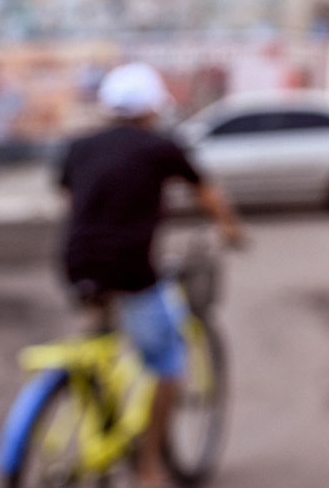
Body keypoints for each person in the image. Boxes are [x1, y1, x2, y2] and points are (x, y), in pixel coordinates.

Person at [57, 62, 244, 488]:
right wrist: (231, 228)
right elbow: (207, 191)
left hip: (77, 261)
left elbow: (70, 196)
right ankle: (148, 467)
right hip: (131, 266)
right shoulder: (159, 147)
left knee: (100, 337)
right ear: (151, 108)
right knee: (167, 361)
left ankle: (98, 413)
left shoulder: (80, 147)